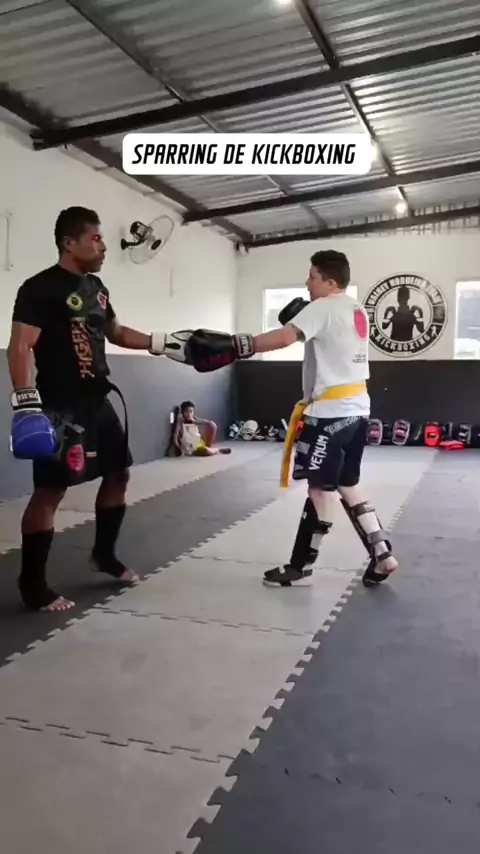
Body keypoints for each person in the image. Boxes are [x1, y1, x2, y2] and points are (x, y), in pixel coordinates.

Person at [164, 250, 398, 589]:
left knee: (320, 491)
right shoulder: (355, 308)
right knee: (348, 484)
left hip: (329, 416)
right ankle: (382, 554)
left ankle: (301, 568)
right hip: (358, 411)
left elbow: (284, 338)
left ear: (330, 281)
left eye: (313, 276)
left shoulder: (323, 307)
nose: (307, 282)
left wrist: (235, 345)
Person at [7, 206, 192, 613]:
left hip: (98, 399)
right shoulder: (39, 288)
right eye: (95, 238)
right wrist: (25, 402)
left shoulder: (97, 287)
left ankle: (103, 555)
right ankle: (32, 584)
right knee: (50, 490)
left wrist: (164, 342)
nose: (104, 246)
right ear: (69, 243)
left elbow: (117, 332)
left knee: (119, 474)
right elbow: (20, 344)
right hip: (60, 405)